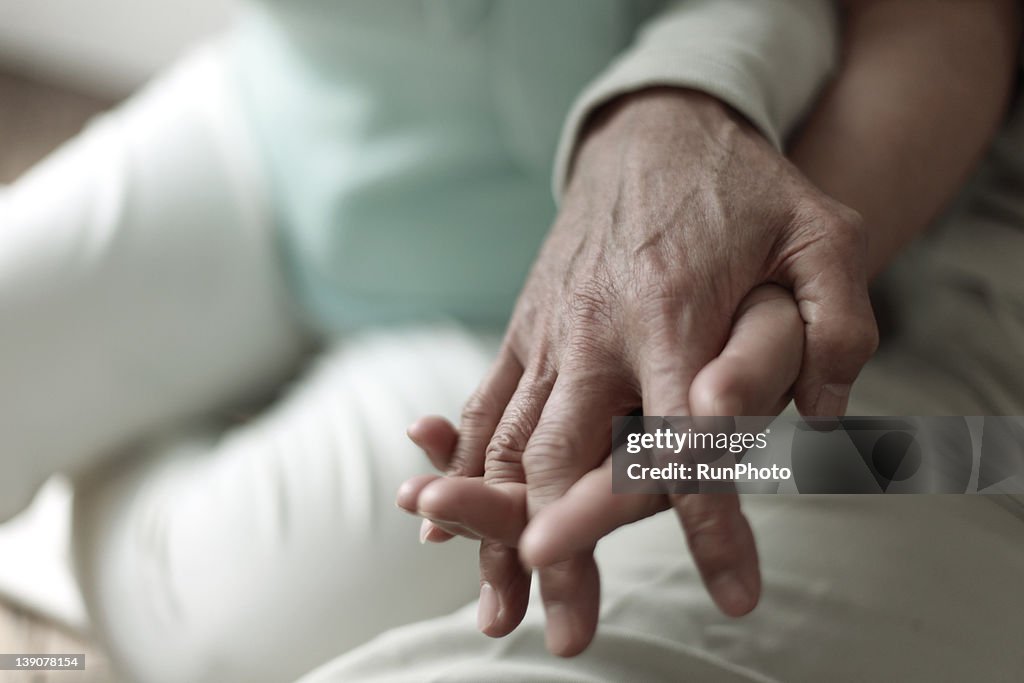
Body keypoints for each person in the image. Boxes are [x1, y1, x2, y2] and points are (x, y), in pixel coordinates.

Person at [0, 3, 1019, 683]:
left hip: (592, 290)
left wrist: (688, 103)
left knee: (221, 624)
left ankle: (135, 464)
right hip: (297, 144)